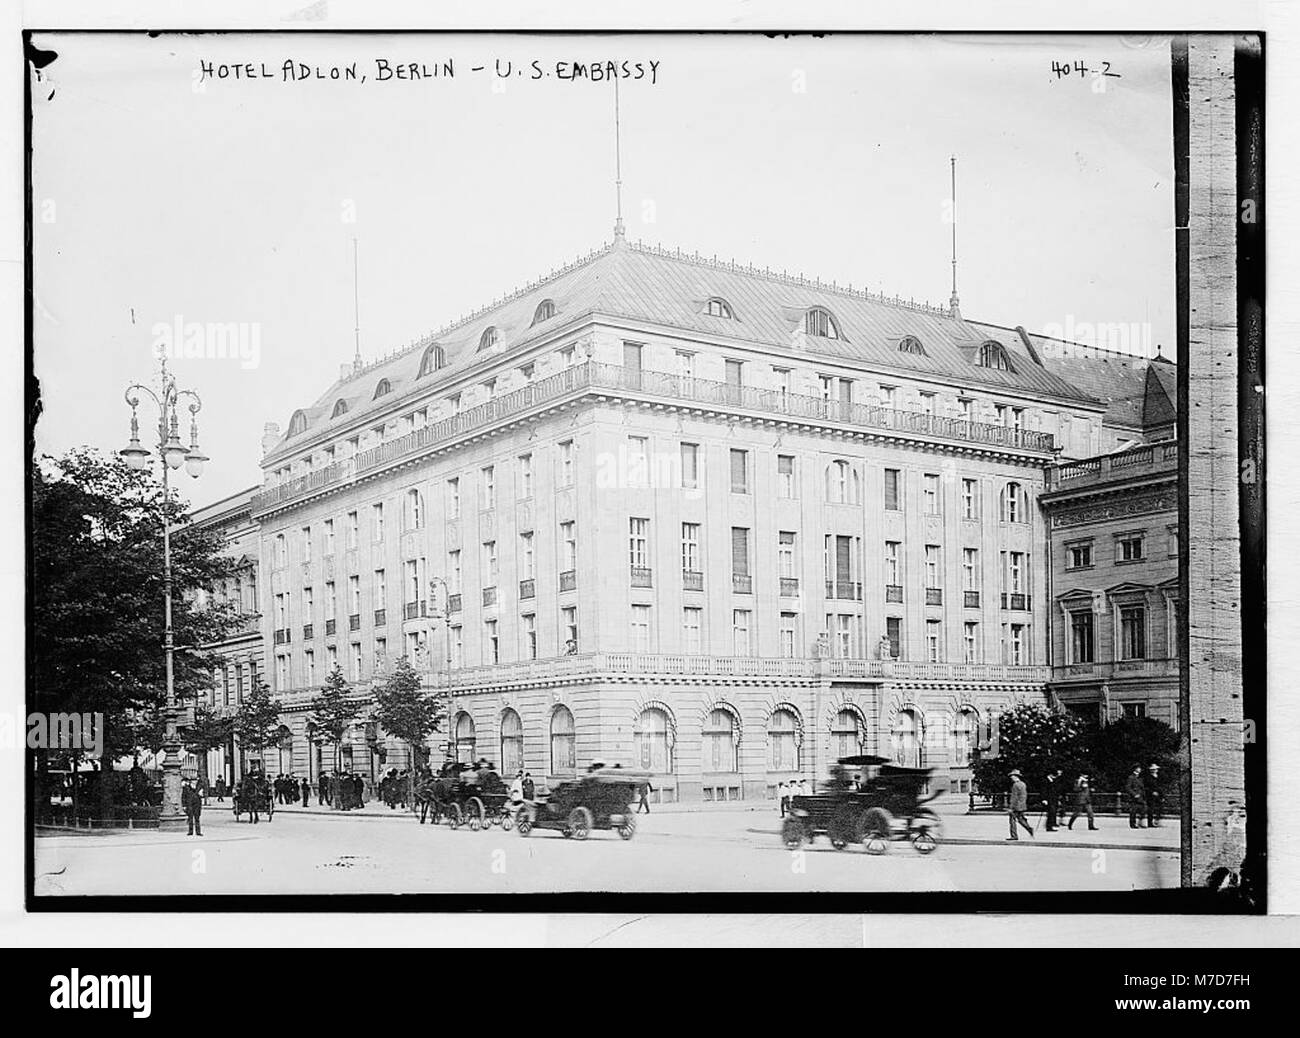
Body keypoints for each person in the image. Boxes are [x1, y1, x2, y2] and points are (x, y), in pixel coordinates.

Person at [1006, 769, 1034, 840]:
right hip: (1022, 805)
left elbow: (1014, 797)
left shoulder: (1015, 785)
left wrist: (1011, 807)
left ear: (1015, 776)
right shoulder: (1023, 784)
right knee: (1020, 819)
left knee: (1012, 820)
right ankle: (1029, 828)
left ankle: (1014, 835)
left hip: (1016, 806)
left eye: (1012, 776)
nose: (1011, 778)